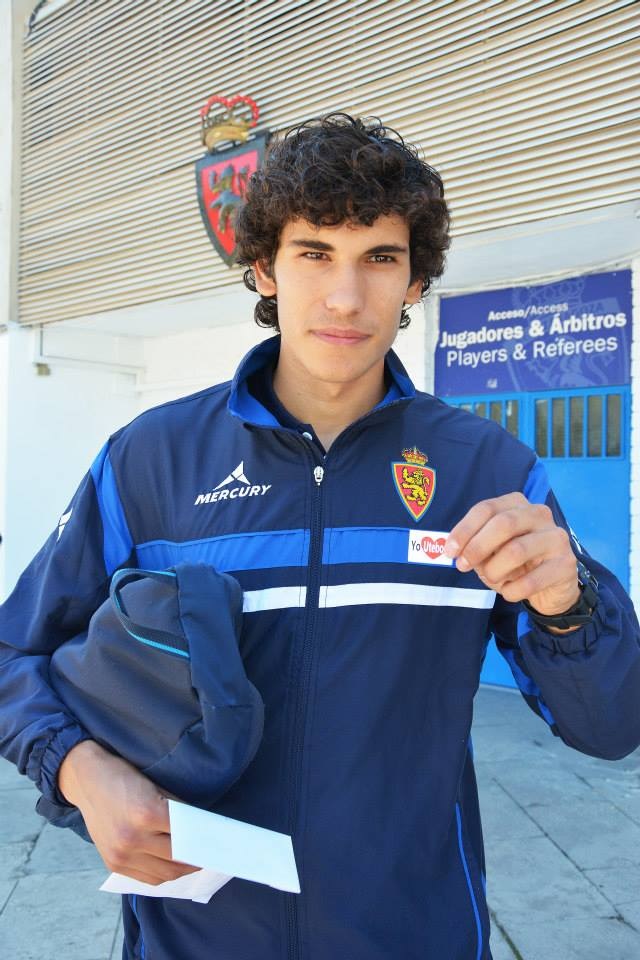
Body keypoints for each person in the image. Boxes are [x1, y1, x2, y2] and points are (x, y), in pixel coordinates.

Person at [1, 112, 639, 960]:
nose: (346, 297)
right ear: (265, 268)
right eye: (314, 253)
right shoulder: (149, 460)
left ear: (415, 282)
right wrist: (80, 771)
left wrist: (569, 601)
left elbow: (611, 725)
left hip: (414, 939)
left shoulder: (488, 469)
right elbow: (14, 652)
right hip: (193, 939)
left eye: (379, 258)